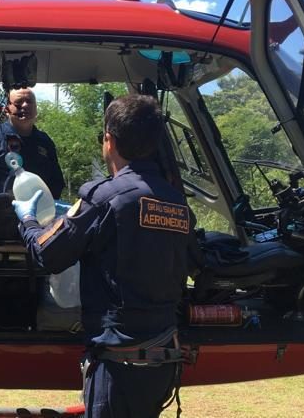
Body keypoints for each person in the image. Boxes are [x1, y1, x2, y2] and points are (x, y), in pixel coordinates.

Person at [12, 94, 190, 418]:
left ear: (108, 140)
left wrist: (27, 219)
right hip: (163, 360)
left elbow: (47, 254)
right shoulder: (176, 201)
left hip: (119, 365)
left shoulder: (105, 197)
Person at [0, 87, 64, 241]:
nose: (24, 106)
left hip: (40, 223)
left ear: (36, 108)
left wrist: (48, 205)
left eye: (29, 102)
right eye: (18, 103)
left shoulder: (45, 142)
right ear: (7, 108)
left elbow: (57, 180)